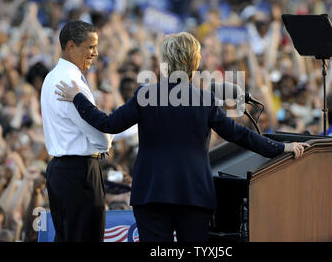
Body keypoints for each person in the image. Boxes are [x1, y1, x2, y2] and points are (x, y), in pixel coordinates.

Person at [55, 32, 309, 242]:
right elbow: (239, 135)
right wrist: (282, 147)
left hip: (152, 193)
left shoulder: (146, 95)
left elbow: (107, 123)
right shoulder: (204, 100)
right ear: (194, 63)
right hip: (193, 194)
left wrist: (77, 97)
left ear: (165, 62)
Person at [40, 20, 113, 242]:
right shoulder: (71, 83)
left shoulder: (52, 76)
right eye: (90, 47)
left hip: (63, 171)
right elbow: (101, 138)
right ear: (70, 45)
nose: (96, 53)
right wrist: (107, 139)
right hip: (80, 174)